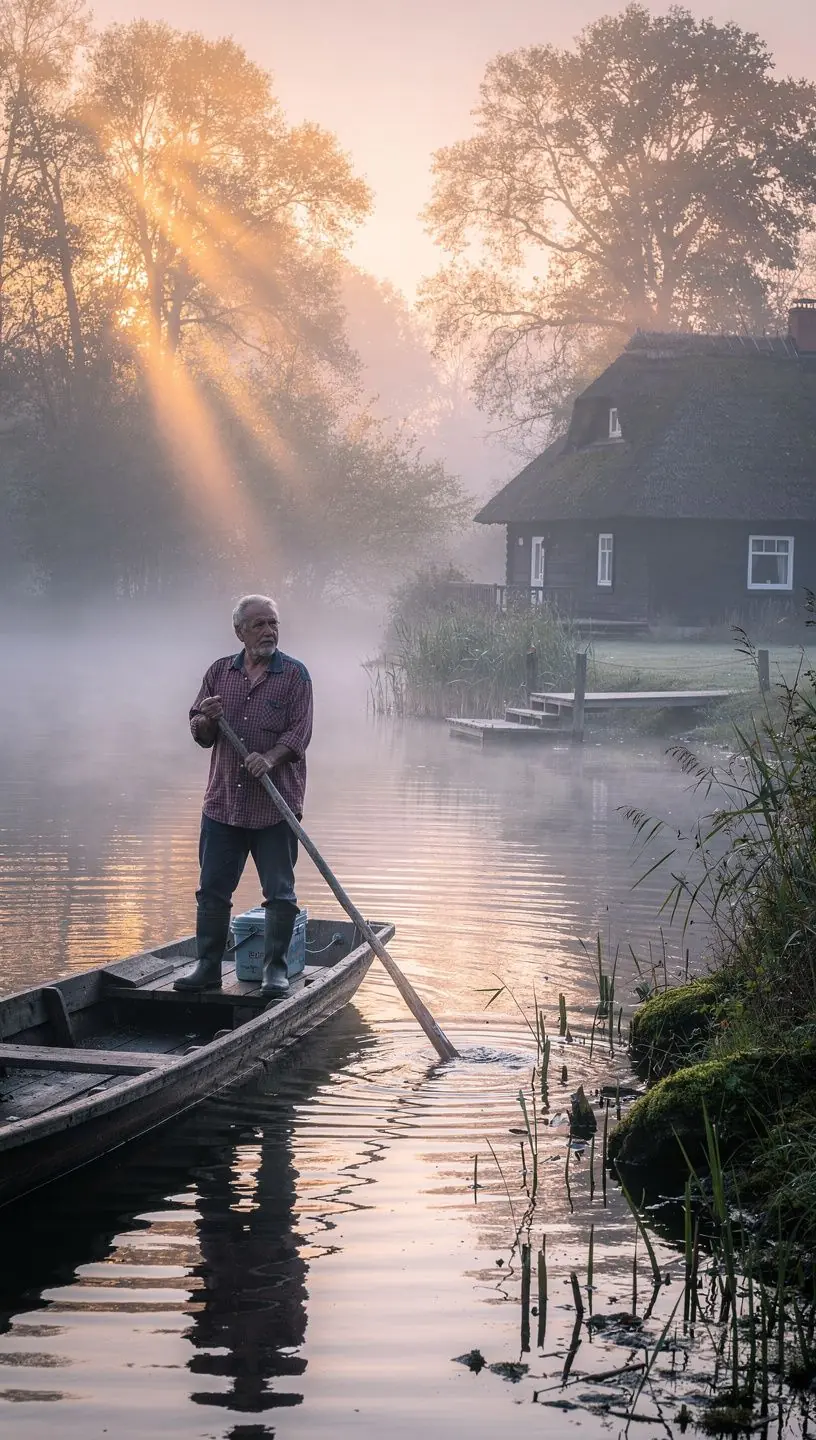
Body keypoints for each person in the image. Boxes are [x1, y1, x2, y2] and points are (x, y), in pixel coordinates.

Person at [175, 594, 313, 999]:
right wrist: (206, 719)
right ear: (239, 632)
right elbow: (199, 732)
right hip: (223, 804)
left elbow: (299, 733)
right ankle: (207, 968)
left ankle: (275, 969)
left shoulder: (295, 675)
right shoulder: (220, 673)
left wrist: (270, 758)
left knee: (280, 893)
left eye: (273, 624)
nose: (269, 631)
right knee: (212, 890)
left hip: (275, 805)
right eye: (259, 625)